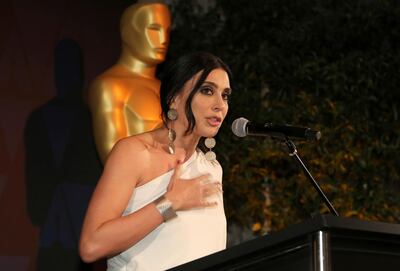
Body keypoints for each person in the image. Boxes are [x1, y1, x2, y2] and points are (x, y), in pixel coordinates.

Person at [79, 52, 233, 270]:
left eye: (225, 95)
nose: (220, 105)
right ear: (174, 98)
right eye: (207, 91)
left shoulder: (211, 169)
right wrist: (169, 203)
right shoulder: (135, 153)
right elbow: (91, 245)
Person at [88, 2, 171, 163]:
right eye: (154, 29)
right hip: (139, 185)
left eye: (167, 32)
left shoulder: (169, 90)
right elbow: (115, 159)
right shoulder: (110, 87)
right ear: (128, 33)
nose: (163, 39)